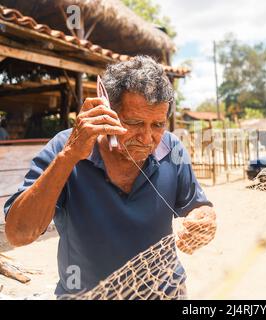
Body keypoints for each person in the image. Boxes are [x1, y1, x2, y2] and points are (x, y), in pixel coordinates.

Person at [3, 56, 216, 298]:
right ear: (106, 112)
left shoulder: (172, 149)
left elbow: (200, 207)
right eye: (134, 123)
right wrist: (69, 156)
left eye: (158, 125)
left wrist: (204, 222)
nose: (147, 139)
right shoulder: (65, 147)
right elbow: (19, 234)